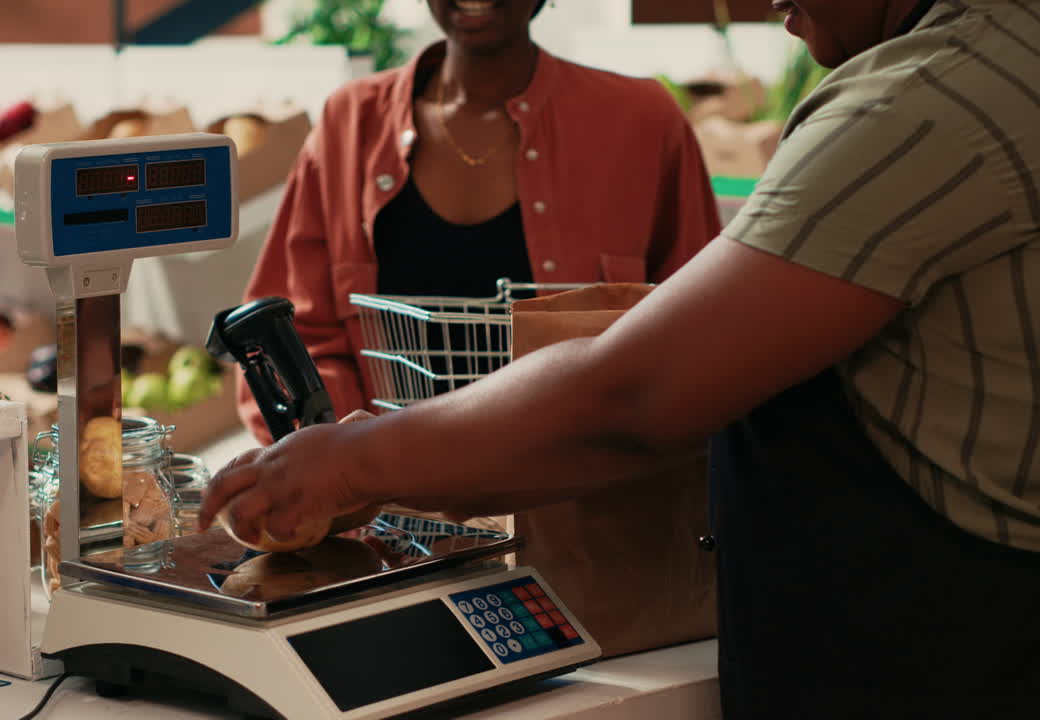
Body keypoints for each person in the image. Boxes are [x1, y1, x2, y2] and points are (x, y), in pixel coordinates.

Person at [204, 0, 1040, 717]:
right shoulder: (998, 59)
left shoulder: (926, 102)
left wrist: (354, 464)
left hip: (939, 661)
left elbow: (638, 393)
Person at [237, 0, 721, 443]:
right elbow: (293, 334)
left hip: (588, 506)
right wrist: (346, 463)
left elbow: (702, 329)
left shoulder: (642, 121)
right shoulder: (351, 123)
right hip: (393, 513)